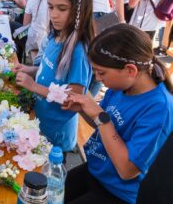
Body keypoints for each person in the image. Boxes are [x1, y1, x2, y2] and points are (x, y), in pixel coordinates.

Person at [64, 24, 173, 204]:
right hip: (96, 170)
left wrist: (100, 116)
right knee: (49, 195)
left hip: (118, 192)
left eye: (101, 73)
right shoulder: (120, 88)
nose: (98, 79)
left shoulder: (160, 108)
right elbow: (103, 125)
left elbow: (127, 169)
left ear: (131, 70)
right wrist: (83, 110)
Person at [14, 0, 94, 152]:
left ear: (80, 9)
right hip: (42, 121)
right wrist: (31, 69)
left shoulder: (78, 51)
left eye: (62, 8)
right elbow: (50, 69)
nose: (54, 15)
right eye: (50, 7)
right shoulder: (55, 36)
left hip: (56, 132)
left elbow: (73, 98)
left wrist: (33, 86)